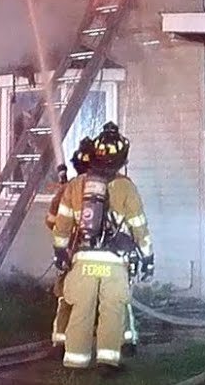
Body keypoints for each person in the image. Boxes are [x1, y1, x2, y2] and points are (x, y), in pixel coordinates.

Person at [52, 122, 154, 371]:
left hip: (83, 259)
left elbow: (63, 224)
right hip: (114, 262)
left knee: (81, 311)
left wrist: (60, 252)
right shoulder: (126, 186)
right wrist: (148, 257)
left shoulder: (76, 186)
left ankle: (75, 363)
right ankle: (108, 362)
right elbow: (139, 226)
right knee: (112, 310)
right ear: (121, 159)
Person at [48, 138, 93, 348]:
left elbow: (51, 221)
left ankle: (60, 340)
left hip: (71, 252)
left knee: (66, 296)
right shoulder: (109, 186)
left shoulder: (69, 189)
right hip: (100, 252)